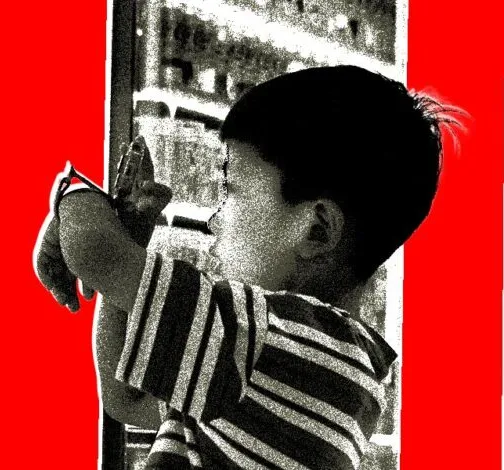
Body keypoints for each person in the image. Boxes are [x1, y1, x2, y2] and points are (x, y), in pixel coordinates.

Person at [33, 65, 461, 469]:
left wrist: (73, 195)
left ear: (316, 230)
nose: (214, 218)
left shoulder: (262, 340)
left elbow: (93, 250)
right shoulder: (324, 364)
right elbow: (125, 397)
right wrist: (130, 238)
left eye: (230, 190)